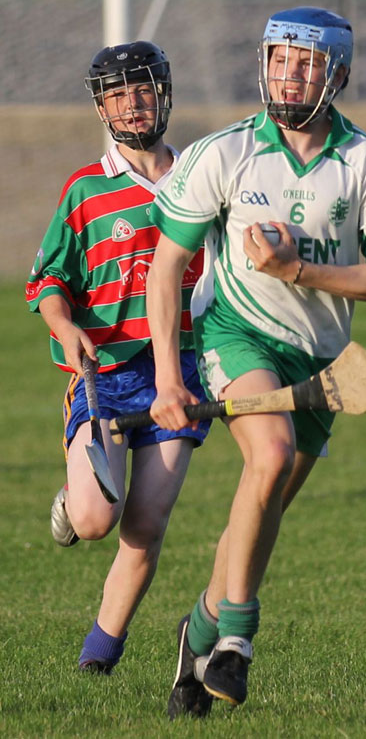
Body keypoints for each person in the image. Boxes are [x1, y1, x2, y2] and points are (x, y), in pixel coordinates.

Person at [145, 7, 366, 718]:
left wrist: (300, 272)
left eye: (306, 63)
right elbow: (168, 265)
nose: (288, 75)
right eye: (278, 59)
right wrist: (169, 377)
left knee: (260, 510)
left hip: (322, 365)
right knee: (267, 455)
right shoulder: (225, 152)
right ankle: (236, 636)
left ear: (338, 75)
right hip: (236, 336)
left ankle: (198, 633)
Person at [25, 41, 210, 676]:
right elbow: (48, 280)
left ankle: (96, 660)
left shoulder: (201, 178)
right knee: (97, 520)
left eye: (143, 88)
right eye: (118, 93)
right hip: (104, 376)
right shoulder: (86, 190)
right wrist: (62, 322)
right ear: (101, 105)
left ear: (164, 92)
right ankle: (74, 497)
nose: (133, 104)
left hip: (179, 373)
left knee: (146, 525)